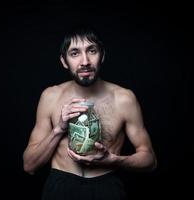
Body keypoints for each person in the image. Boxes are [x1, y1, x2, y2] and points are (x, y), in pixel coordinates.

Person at [23, 26, 157, 200]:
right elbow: (29, 165)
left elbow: (150, 161)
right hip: (60, 187)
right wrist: (58, 129)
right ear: (64, 61)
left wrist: (115, 160)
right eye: (75, 53)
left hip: (107, 187)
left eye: (91, 51)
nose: (85, 61)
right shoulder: (51, 97)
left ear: (102, 56)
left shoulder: (124, 99)